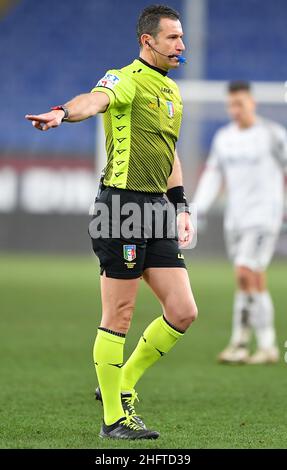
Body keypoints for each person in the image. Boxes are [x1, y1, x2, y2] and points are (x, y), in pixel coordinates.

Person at [25, 5, 198, 440]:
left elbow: (169, 154)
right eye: (173, 38)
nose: (182, 45)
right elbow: (93, 101)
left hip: (157, 209)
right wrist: (63, 112)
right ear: (148, 41)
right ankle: (114, 421)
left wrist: (181, 206)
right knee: (119, 313)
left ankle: (122, 385)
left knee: (183, 311)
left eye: (182, 37)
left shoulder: (173, 93)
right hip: (120, 208)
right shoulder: (123, 79)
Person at [193, 80, 287, 365]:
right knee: (250, 279)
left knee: (245, 273)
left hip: (264, 217)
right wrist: (196, 209)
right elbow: (212, 176)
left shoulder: (273, 135)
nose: (236, 109)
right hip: (236, 219)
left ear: (252, 104)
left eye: (241, 104)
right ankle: (255, 345)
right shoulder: (224, 138)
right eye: (231, 104)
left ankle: (250, 343)